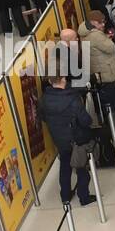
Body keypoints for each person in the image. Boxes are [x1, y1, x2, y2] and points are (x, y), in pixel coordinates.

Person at [39, 74, 95, 205]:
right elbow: (86, 120)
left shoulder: (44, 99)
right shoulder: (72, 99)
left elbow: (43, 117)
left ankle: (65, 196)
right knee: (81, 167)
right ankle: (84, 197)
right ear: (63, 78)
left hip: (59, 139)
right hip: (76, 139)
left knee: (65, 166)